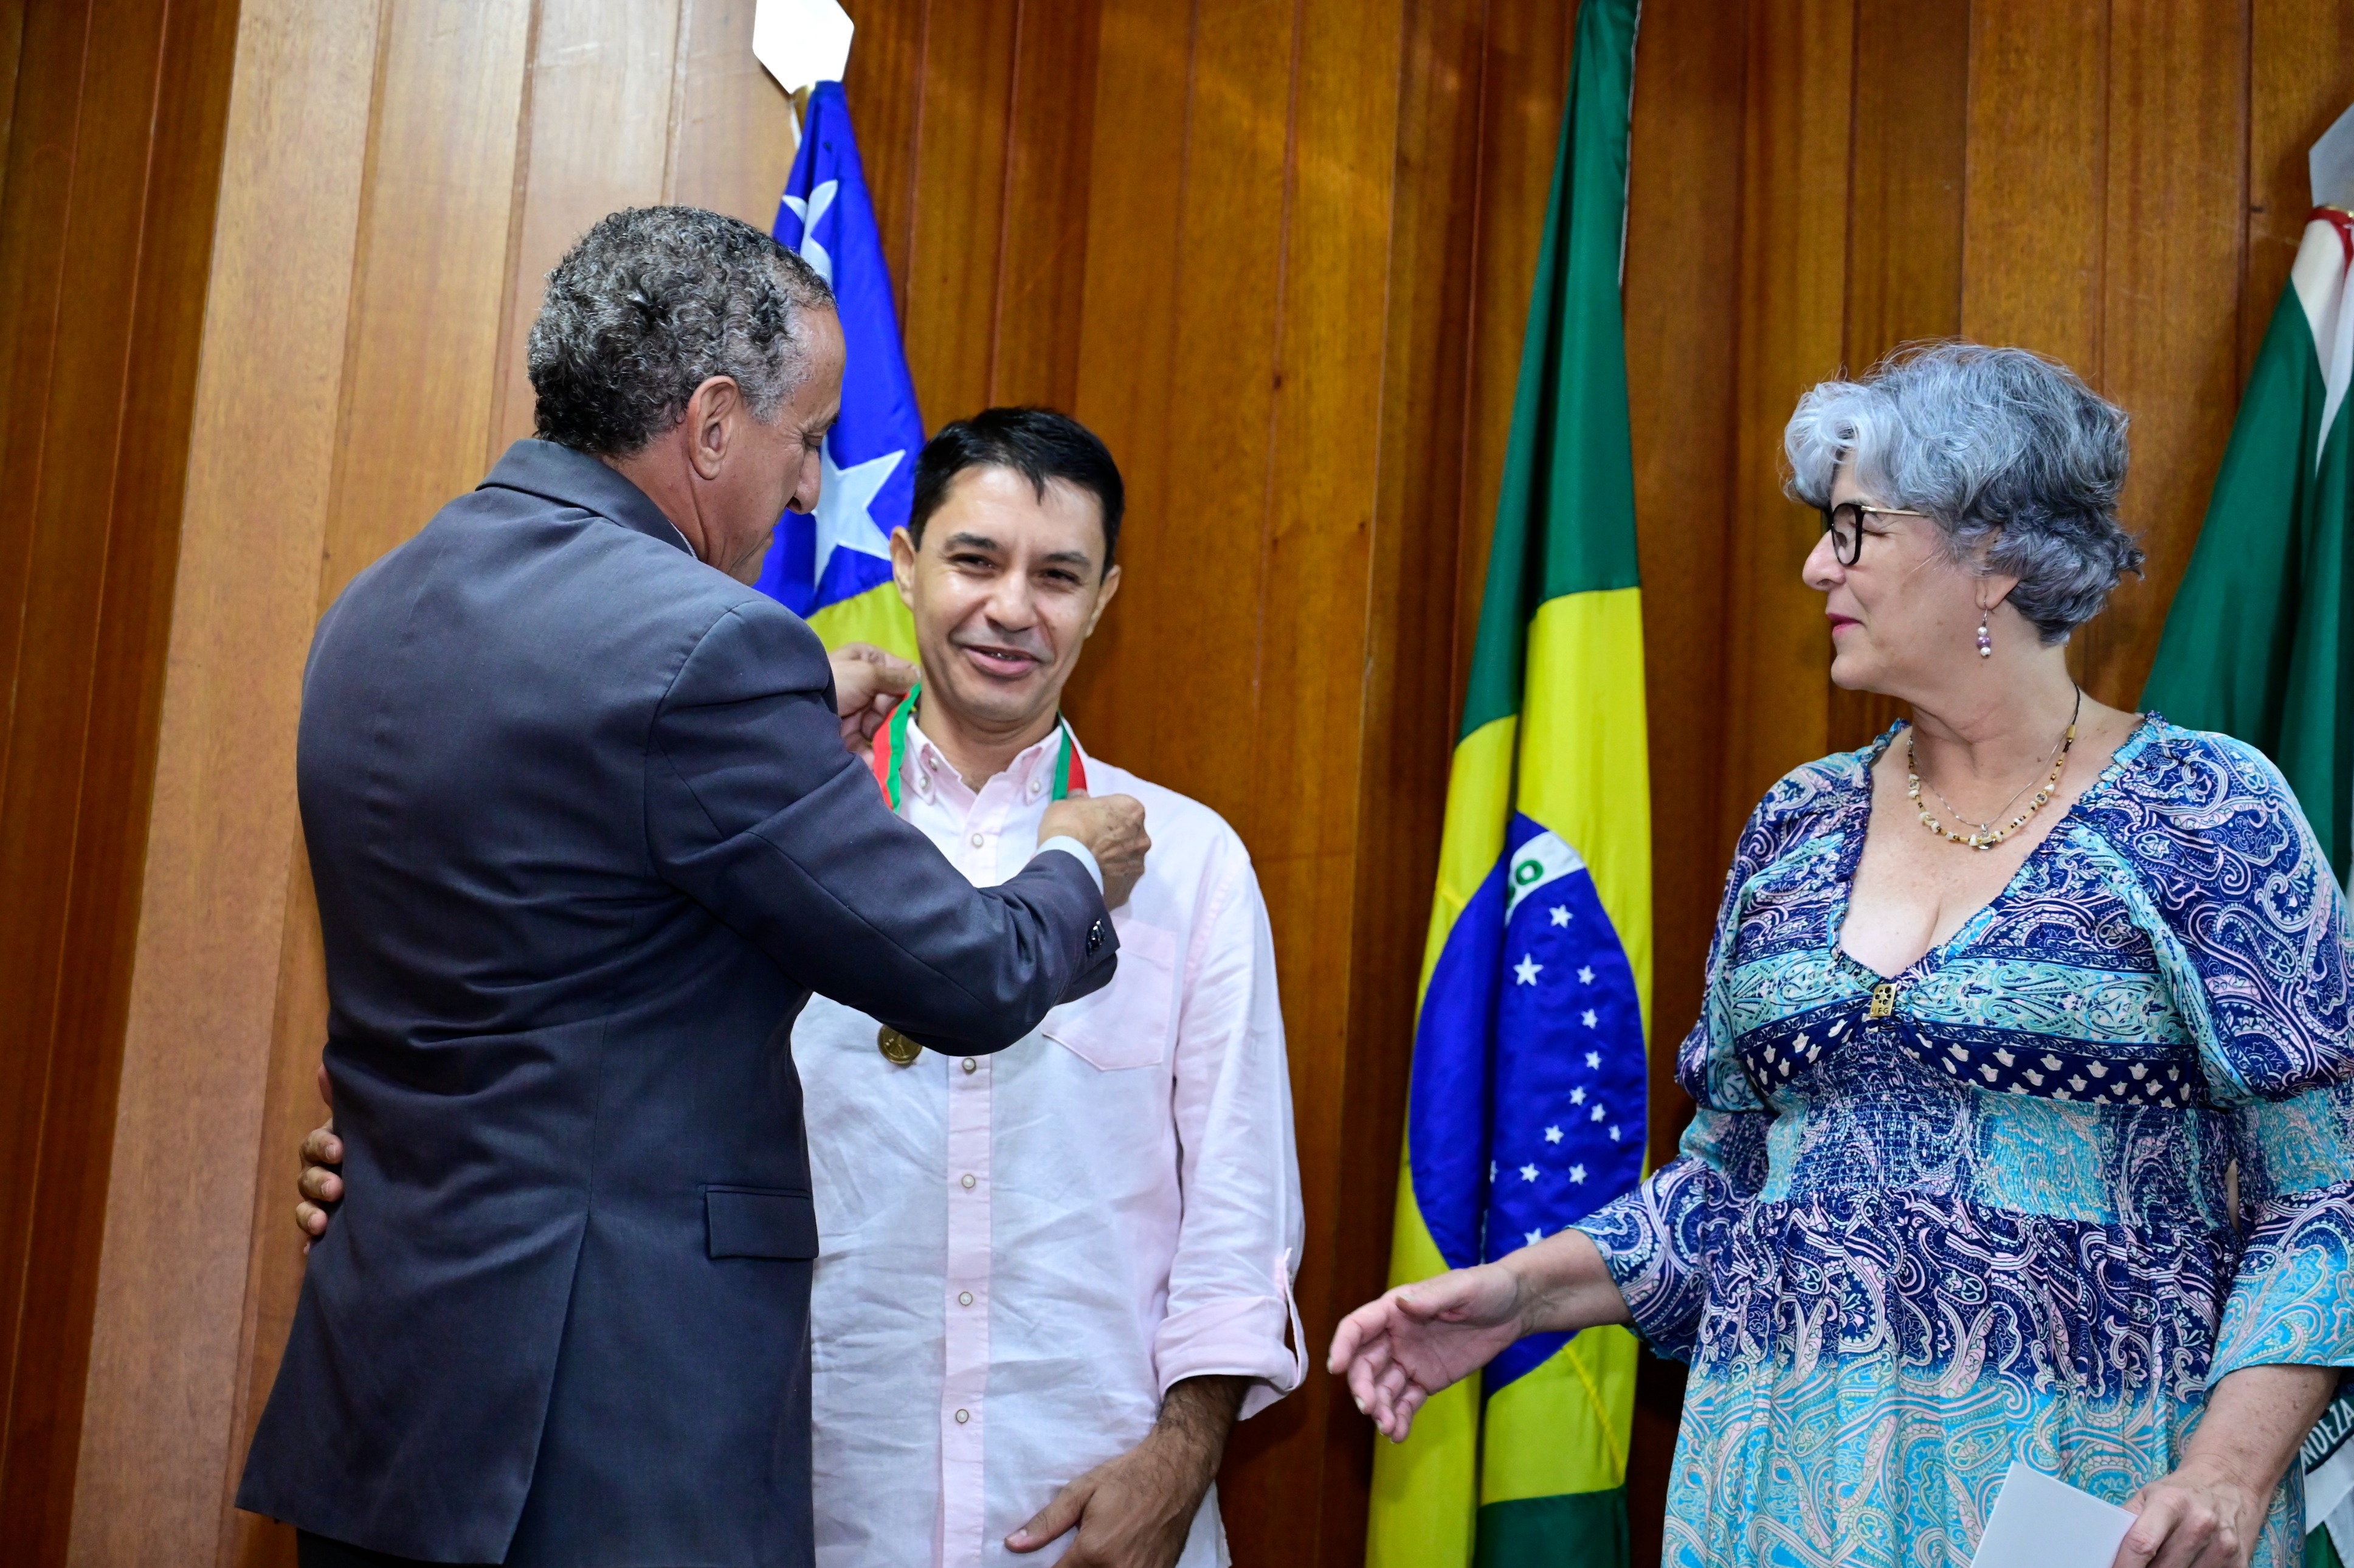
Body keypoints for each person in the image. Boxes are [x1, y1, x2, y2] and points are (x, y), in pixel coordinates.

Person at [1330, 342, 2354, 1568]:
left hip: (2097, 1507)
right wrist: (1522, 1295)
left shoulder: (2204, 811)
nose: (1819, 564)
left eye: (1855, 528)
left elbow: (2328, 1190)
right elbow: (1729, 1189)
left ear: (1996, 556)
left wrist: (2229, 1474)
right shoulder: (1795, 825)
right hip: (1772, 1499)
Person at [235, 207, 1149, 1568]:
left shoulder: (371, 611)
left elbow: (553, 897)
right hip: (615, 1434)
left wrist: (770, 745)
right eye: (807, 437)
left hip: (390, 1411)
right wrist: (1075, 861)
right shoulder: (711, 648)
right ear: (715, 424)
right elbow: (968, 974)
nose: (811, 488)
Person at [299, 408, 1306, 1568]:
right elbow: (587, 1079)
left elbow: (1240, 1213)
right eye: (976, 560)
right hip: (794, 1502)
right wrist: (391, 1155)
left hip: (1091, 1513)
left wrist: (1180, 1463)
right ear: (904, 563)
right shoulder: (752, 832)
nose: (1012, 609)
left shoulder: (1188, 862)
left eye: (1058, 576)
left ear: (1105, 597)